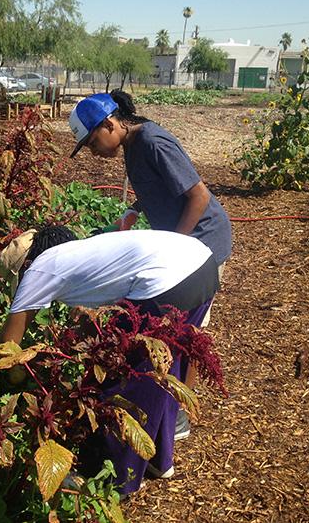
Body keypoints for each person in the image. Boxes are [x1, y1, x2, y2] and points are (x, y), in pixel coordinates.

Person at [0, 225, 219, 495]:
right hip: (201, 266)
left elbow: (7, 345)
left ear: (26, 266)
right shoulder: (81, 256)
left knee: (125, 383)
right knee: (164, 373)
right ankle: (159, 461)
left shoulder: (39, 269)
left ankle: (111, 482)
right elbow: (92, 324)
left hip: (167, 284)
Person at [69, 90, 233, 437]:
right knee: (171, 326)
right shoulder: (132, 145)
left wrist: (176, 243)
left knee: (189, 330)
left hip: (204, 243)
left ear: (109, 124)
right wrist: (132, 212)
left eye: (92, 142)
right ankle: (168, 402)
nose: (94, 152)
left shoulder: (153, 141)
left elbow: (198, 196)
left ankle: (180, 415)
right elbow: (153, 187)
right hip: (183, 244)